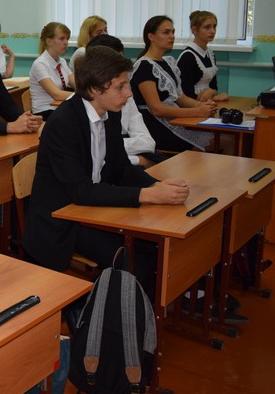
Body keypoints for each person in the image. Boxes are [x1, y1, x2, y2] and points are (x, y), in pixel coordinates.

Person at [23, 46, 189, 295]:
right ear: (94, 89)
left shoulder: (110, 114)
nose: (129, 93)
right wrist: (148, 195)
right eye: (121, 87)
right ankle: (117, 313)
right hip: (62, 220)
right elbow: (80, 191)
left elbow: (121, 168)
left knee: (156, 246)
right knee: (133, 260)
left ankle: (158, 301)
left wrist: (155, 185)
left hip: (92, 208)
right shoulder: (63, 123)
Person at [130, 16, 216, 152]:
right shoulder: (144, 66)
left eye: (173, 32)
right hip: (154, 127)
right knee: (219, 142)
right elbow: (157, 109)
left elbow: (180, 97)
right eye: (166, 32)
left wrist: (201, 106)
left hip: (172, 120)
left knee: (219, 136)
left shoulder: (167, 62)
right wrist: (197, 111)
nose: (172, 36)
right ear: (151, 36)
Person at [86, 34, 164, 167]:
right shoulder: (79, 111)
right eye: (115, 65)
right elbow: (93, 152)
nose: (128, 93)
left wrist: (116, 147)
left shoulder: (125, 96)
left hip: (123, 157)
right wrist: (139, 160)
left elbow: (148, 143)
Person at [178, 11, 229, 102]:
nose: (212, 31)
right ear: (194, 30)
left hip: (207, 102)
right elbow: (185, 93)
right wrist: (213, 97)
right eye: (207, 27)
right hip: (192, 105)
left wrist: (212, 91)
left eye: (214, 26)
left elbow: (214, 86)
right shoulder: (188, 57)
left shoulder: (210, 54)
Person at [30, 22, 75, 118]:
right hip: (44, 112)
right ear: (49, 41)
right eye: (62, 38)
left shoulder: (62, 61)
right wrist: (83, 97)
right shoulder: (40, 64)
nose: (66, 42)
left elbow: (77, 84)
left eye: (67, 39)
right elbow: (56, 94)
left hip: (59, 107)